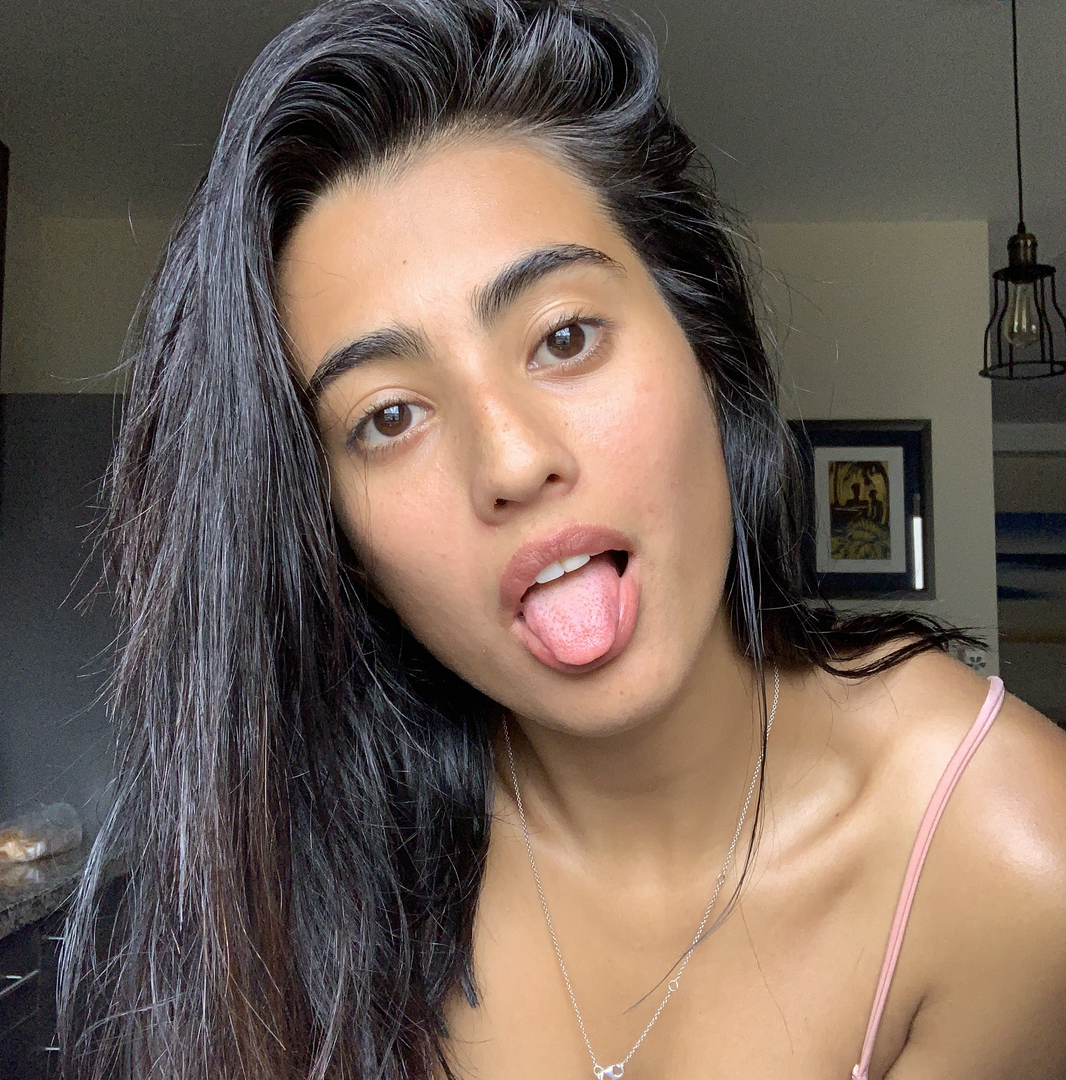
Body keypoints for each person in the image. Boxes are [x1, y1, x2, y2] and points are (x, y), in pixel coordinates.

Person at [60, 1, 1066, 1078]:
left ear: (705, 348)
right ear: (342, 545)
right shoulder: (315, 870)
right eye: (389, 417)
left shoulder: (1005, 852)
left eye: (565, 336)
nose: (510, 460)